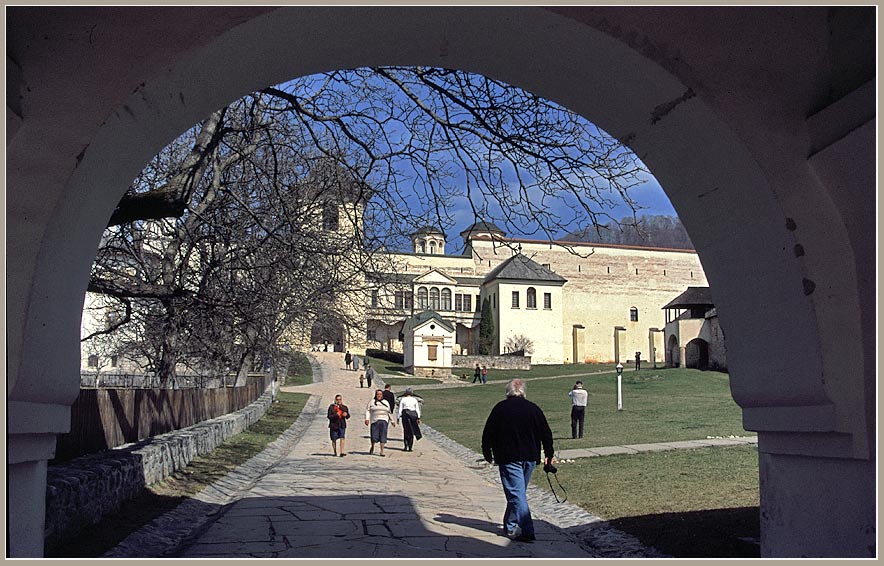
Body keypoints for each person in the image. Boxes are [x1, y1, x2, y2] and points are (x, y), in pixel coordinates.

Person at [481, 378, 554, 543]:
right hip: (529, 457)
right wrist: (549, 454)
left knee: (516, 493)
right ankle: (510, 525)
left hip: (509, 457)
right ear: (523, 392)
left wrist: (487, 451)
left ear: (508, 392)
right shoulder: (533, 409)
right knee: (518, 493)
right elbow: (546, 433)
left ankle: (527, 529)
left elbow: (488, 433)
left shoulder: (501, 408)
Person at [364, 389, 394, 456]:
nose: (379, 395)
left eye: (380, 394)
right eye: (378, 394)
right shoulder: (372, 402)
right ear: (375, 395)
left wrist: (392, 420)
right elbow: (368, 410)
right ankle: (372, 446)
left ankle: (382, 451)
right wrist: (367, 419)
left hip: (384, 420)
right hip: (375, 420)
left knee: (383, 435)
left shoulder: (386, 402)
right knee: (374, 436)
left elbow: (389, 412)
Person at [397, 387, 422, 451]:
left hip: (405, 415)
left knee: (406, 430)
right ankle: (410, 446)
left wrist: (398, 417)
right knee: (412, 430)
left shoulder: (403, 399)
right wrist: (418, 417)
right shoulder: (414, 400)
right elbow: (417, 409)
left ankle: (406, 446)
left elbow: (400, 409)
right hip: (413, 415)